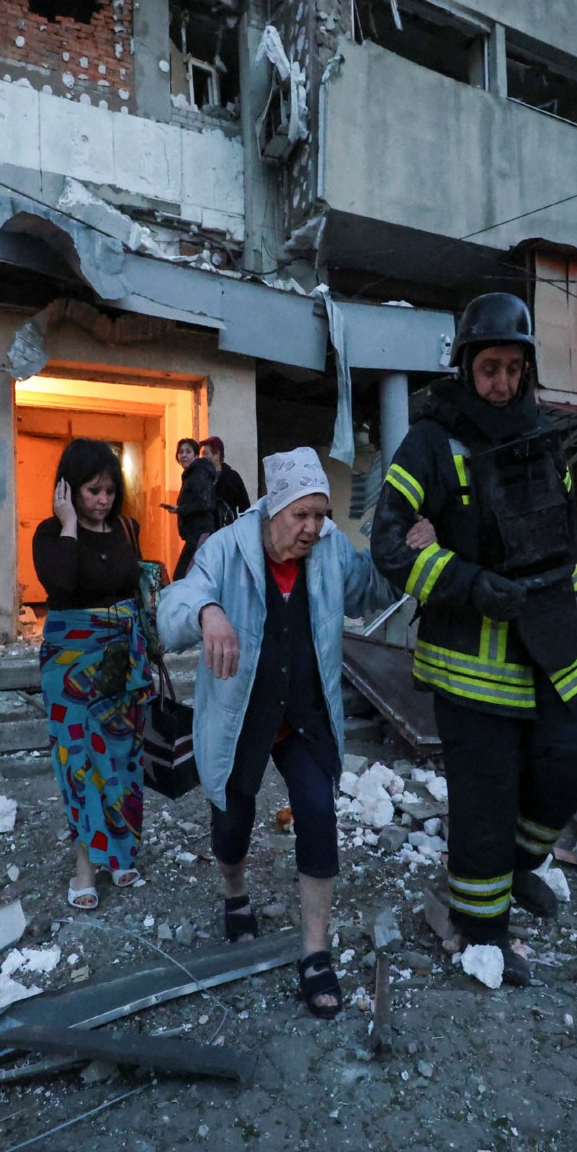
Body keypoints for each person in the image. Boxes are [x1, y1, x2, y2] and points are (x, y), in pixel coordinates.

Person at [371, 292, 577, 986]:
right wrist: (466, 581)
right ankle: (485, 933)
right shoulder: (430, 443)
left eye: (512, 368)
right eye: (489, 368)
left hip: (552, 644)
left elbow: (562, 533)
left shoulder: (543, 436)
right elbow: (388, 543)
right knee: (487, 795)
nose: (501, 383)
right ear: (465, 367)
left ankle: (515, 869)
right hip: (471, 659)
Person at [158, 447, 398, 1018]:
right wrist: (208, 611)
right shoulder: (224, 549)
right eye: (302, 516)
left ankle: (315, 952)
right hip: (243, 716)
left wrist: (407, 551)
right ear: (273, 511)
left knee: (318, 812)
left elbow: (373, 590)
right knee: (233, 819)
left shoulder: (331, 549)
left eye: (321, 515)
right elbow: (172, 609)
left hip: (306, 717)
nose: (313, 528)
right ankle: (234, 892)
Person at [32, 438, 156, 911]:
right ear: (69, 489)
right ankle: (85, 865)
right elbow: (60, 585)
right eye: (91, 490)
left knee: (122, 758)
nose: (102, 500)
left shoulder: (126, 527)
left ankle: (121, 851)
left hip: (121, 662)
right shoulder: (50, 533)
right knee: (78, 765)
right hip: (69, 667)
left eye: (108, 490)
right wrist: (68, 525)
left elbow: (134, 590)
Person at [169, 438, 218, 580]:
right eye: (180, 452)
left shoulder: (198, 473)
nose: (183, 455)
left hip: (201, 533)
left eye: (188, 452)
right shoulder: (192, 474)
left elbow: (205, 503)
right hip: (195, 534)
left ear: (196, 455)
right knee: (190, 576)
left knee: (182, 576)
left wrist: (181, 509)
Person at [200, 436, 251, 527]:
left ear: (217, 454)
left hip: (227, 530)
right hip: (206, 532)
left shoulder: (232, 477)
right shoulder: (200, 478)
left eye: (205, 454)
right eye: (201, 454)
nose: (202, 458)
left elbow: (245, 506)